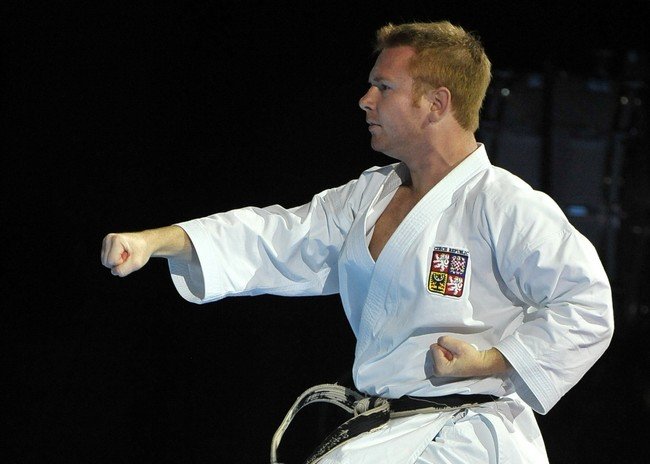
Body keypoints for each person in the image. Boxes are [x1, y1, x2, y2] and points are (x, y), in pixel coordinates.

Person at [101, 21, 614, 463]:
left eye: (383, 87)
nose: (366, 100)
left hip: (466, 440)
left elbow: (588, 305)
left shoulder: (504, 204)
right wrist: (157, 241)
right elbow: (277, 235)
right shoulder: (371, 194)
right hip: (390, 434)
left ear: (436, 103)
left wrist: (491, 361)